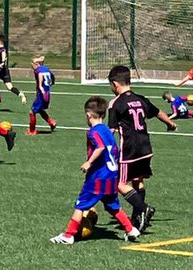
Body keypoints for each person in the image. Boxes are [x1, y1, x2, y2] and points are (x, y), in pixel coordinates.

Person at [50, 96, 141, 244]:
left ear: (88, 115)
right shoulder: (107, 130)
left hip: (98, 177)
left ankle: (68, 235)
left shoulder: (93, 132)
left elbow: (100, 147)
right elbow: (114, 150)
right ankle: (130, 229)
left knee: (81, 205)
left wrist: (89, 162)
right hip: (112, 176)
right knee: (113, 206)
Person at [107, 64, 177, 232]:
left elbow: (110, 131)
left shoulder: (115, 103)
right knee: (138, 180)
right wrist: (170, 123)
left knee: (120, 184)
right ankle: (139, 217)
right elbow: (158, 112)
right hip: (145, 147)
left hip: (129, 149)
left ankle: (143, 208)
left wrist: (103, 150)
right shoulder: (140, 99)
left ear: (115, 84)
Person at [0, 33, 28, 105]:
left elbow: (3, 54)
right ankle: (20, 94)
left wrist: (2, 62)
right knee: (9, 87)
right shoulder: (2, 49)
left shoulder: (1, 49)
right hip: (4, 70)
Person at [27, 55, 57, 135]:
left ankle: (32, 131)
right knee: (40, 110)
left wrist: (40, 88)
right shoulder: (46, 69)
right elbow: (53, 77)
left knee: (32, 112)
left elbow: (40, 78)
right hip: (47, 94)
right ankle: (51, 122)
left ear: (36, 64)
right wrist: (52, 83)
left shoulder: (38, 71)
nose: (32, 67)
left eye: (32, 65)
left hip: (41, 94)